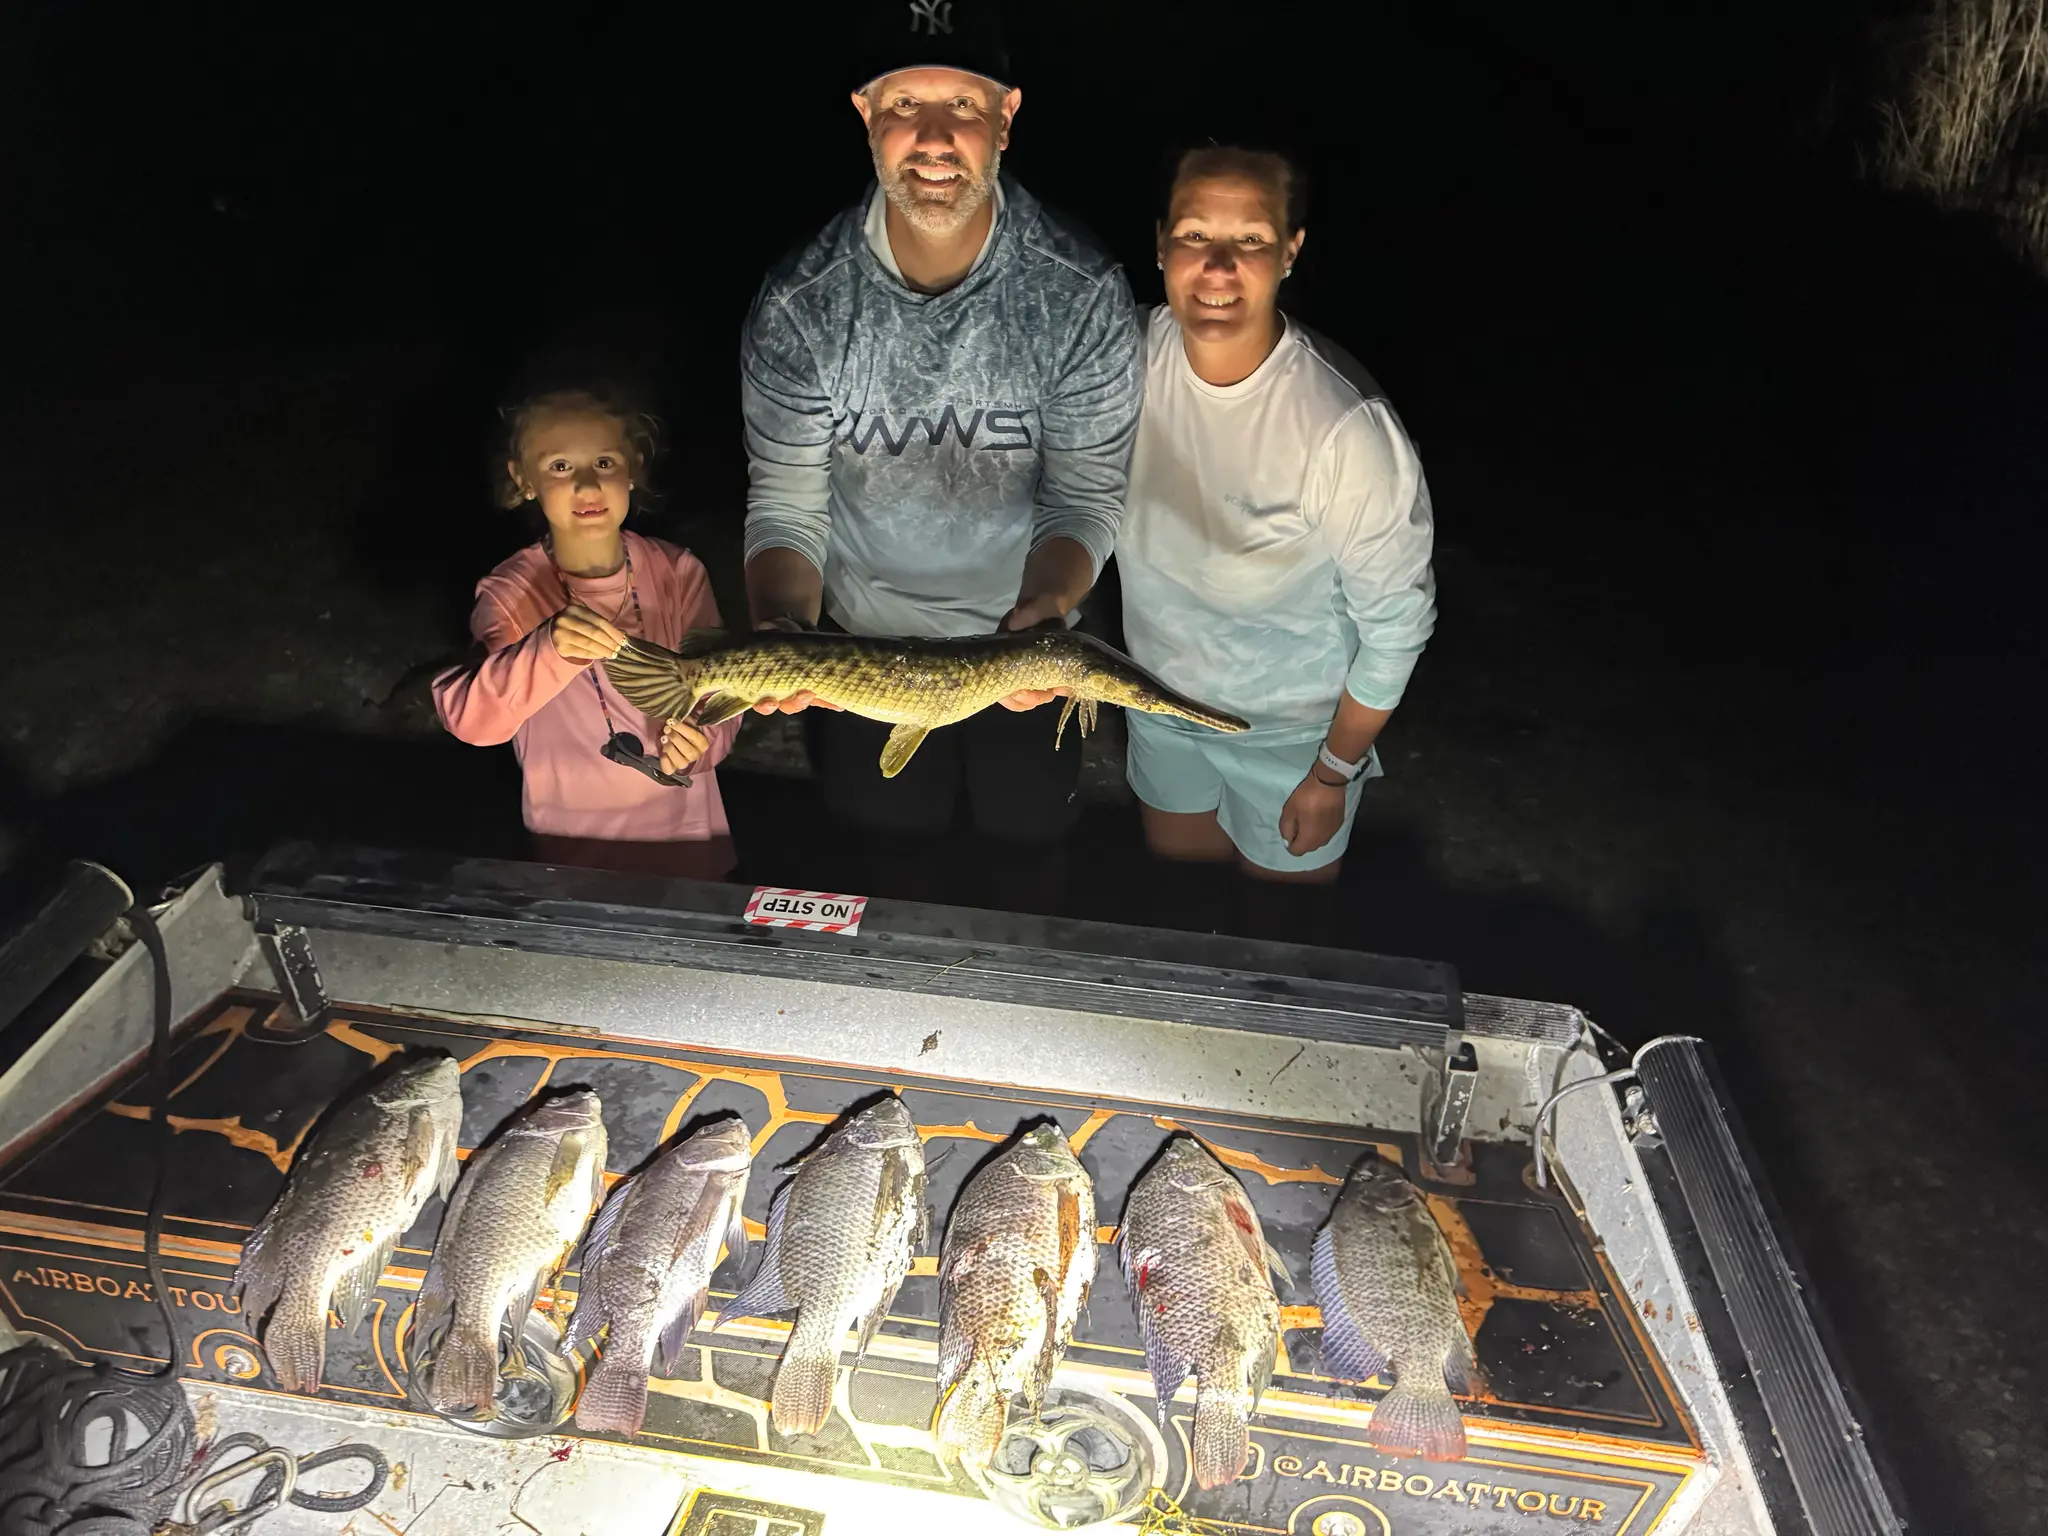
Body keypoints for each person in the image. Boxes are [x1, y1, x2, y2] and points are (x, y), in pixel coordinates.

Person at [738, 0, 1142, 906]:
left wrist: (1047, 606)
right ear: (865, 116)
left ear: (1005, 117)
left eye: (961, 105)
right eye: (903, 104)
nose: (931, 137)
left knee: (1031, 855)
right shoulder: (801, 303)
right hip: (861, 640)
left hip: (1024, 638)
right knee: (887, 863)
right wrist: (780, 626)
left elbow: (1085, 494)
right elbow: (787, 504)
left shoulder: (1078, 292)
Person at [1115, 146, 1437, 885]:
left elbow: (1397, 628)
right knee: (1183, 908)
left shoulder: (1346, 427)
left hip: (1295, 731)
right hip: (1160, 698)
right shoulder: (1123, 354)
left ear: (1290, 252)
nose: (1219, 266)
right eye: (1196, 235)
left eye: (1251, 240)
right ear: (1161, 241)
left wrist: (1332, 772)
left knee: (1280, 949)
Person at [432, 387, 741, 879]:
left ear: (634, 469)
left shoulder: (678, 571)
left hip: (688, 842)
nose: (585, 485)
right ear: (523, 478)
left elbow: (724, 690)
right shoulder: (512, 591)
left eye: (603, 462)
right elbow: (473, 721)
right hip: (571, 854)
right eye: (559, 466)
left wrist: (705, 740)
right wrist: (547, 649)